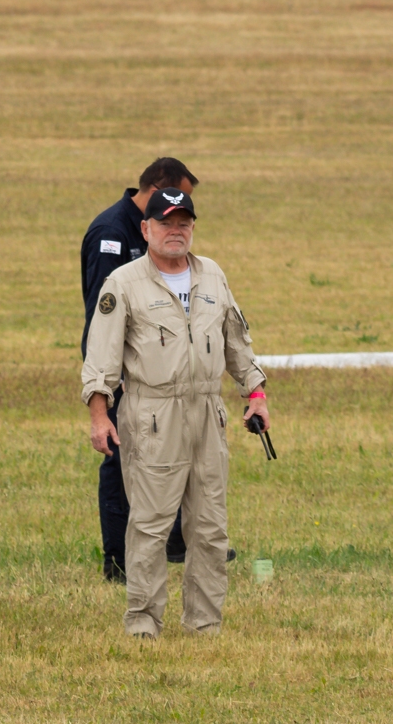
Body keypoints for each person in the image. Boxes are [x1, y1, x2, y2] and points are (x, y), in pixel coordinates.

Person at [83, 189, 267, 638]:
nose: (176, 230)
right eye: (166, 223)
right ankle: (143, 625)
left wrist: (255, 394)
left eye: (184, 222)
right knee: (149, 523)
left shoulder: (213, 276)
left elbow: (236, 341)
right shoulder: (123, 283)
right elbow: (101, 357)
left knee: (209, 526)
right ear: (145, 229)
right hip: (151, 414)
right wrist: (99, 415)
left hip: (208, 410)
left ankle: (205, 624)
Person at [82, 158, 198, 581]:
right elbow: (104, 315)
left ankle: (180, 543)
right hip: (123, 376)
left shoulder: (151, 232)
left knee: (175, 454)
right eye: (176, 200)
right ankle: (119, 562)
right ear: (157, 192)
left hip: (161, 374)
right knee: (120, 463)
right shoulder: (111, 233)